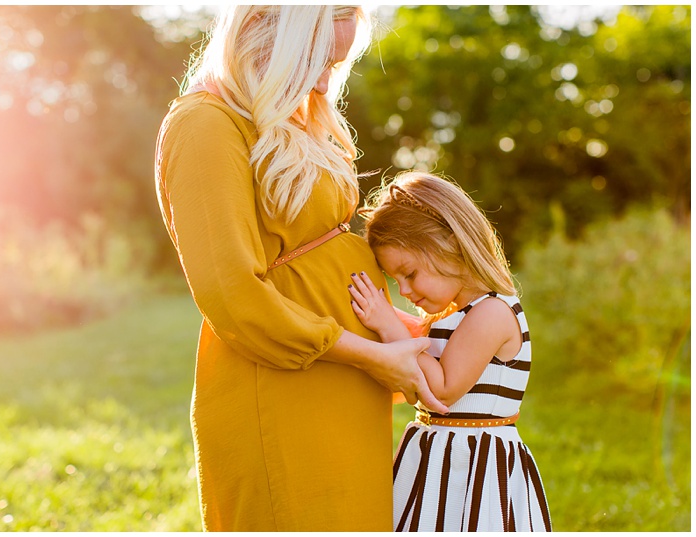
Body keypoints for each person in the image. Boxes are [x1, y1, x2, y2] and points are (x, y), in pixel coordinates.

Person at [154, 6, 448, 532]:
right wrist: (370, 356)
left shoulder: (292, 119)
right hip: (283, 383)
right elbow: (232, 295)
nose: (323, 81)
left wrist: (404, 333)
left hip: (346, 379)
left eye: (334, 65)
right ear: (269, 37)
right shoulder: (205, 123)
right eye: (316, 59)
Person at [348, 171, 553, 532]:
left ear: (452, 244)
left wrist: (388, 325)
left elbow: (442, 389)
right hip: (437, 456)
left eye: (409, 273)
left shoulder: (492, 312)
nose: (405, 291)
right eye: (396, 281)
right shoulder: (451, 315)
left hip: (474, 465)